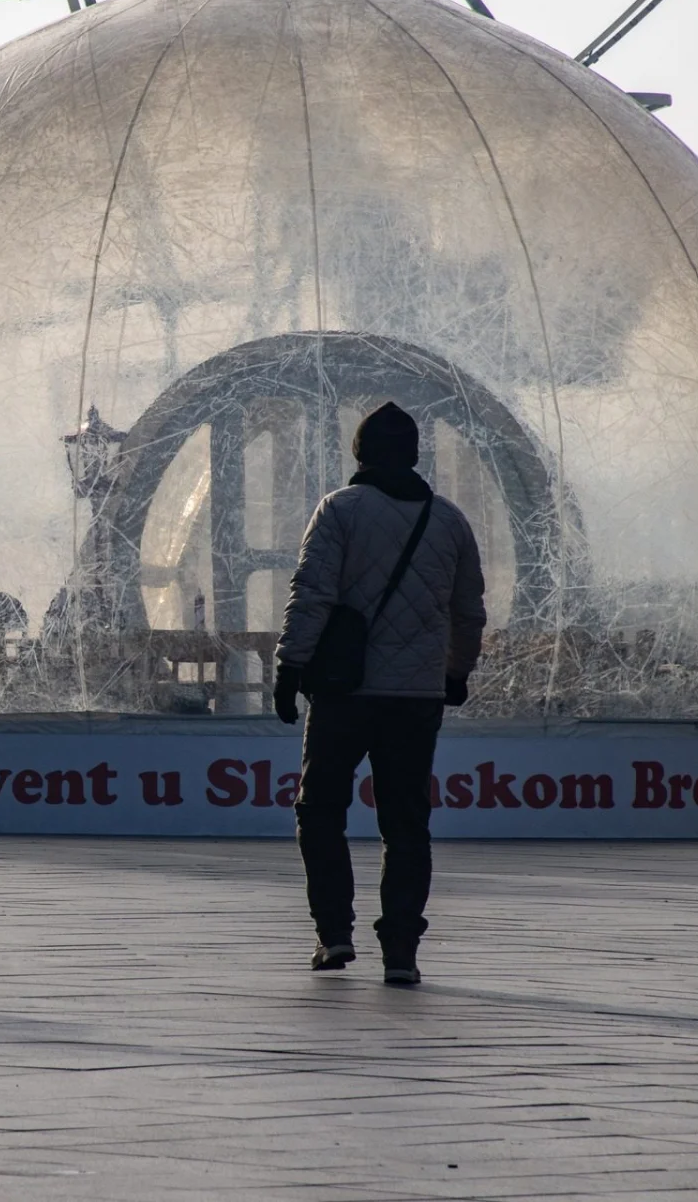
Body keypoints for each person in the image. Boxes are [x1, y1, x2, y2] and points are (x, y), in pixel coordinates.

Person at [273, 401, 486, 986]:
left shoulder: (339, 510)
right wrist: (456, 673)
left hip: (345, 693)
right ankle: (401, 953)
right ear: (415, 455)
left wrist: (290, 667)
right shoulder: (449, 521)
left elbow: (312, 591)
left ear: (359, 453)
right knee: (406, 823)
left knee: (319, 811)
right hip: (416, 698)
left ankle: (334, 935)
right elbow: (468, 612)